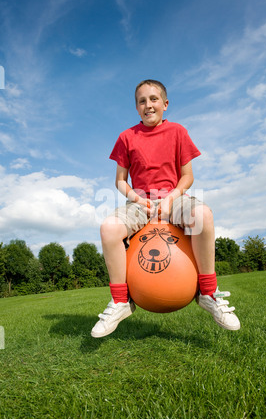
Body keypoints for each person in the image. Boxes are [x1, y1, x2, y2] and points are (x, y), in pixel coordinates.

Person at [91, 79, 240, 338]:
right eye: (141, 101)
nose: (148, 105)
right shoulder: (126, 137)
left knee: (202, 215)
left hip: (174, 198)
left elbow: (188, 176)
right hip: (140, 202)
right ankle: (120, 301)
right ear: (136, 108)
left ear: (165, 104)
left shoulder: (178, 132)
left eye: (153, 99)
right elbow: (119, 181)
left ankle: (207, 293)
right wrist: (137, 199)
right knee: (108, 228)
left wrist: (171, 198)